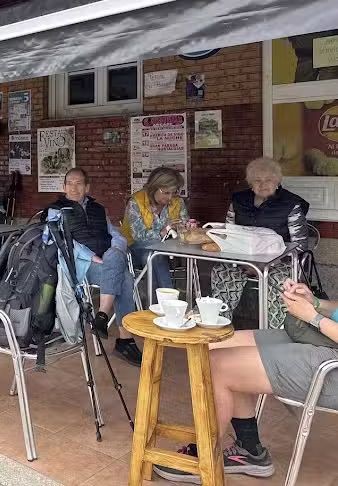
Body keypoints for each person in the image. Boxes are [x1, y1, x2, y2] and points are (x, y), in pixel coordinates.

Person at [154, 279, 338, 482]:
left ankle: (203, 458)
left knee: (219, 366)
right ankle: (250, 449)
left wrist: (313, 317)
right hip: (325, 338)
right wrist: (316, 303)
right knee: (214, 346)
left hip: (332, 363)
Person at [50, 168, 142, 366]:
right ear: (64, 187)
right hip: (80, 267)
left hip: (107, 262)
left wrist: (116, 249)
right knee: (124, 278)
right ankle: (125, 340)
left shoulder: (98, 209)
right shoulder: (56, 210)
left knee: (117, 259)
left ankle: (101, 316)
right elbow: (61, 243)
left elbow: (114, 234)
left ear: (87, 186)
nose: (75, 187)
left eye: (79, 183)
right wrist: (92, 257)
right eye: (70, 183)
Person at [211, 157, 309, 329]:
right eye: (257, 180)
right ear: (250, 183)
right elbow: (228, 234)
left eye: (269, 180)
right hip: (242, 260)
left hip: (279, 262)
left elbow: (300, 245)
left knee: (281, 282)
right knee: (222, 271)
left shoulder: (291, 203)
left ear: (278, 181)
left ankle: (275, 332)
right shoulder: (239, 200)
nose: (263, 184)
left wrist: (268, 263)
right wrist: (243, 261)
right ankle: (218, 324)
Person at [123, 167, 189, 290]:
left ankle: (155, 303)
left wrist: (183, 227)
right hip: (135, 250)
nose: (170, 197)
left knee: (156, 256)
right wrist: (163, 231)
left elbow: (185, 228)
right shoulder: (136, 201)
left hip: (171, 250)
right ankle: (168, 299)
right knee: (153, 255)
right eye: (166, 192)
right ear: (154, 188)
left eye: (173, 192)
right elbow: (139, 236)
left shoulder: (177, 202)